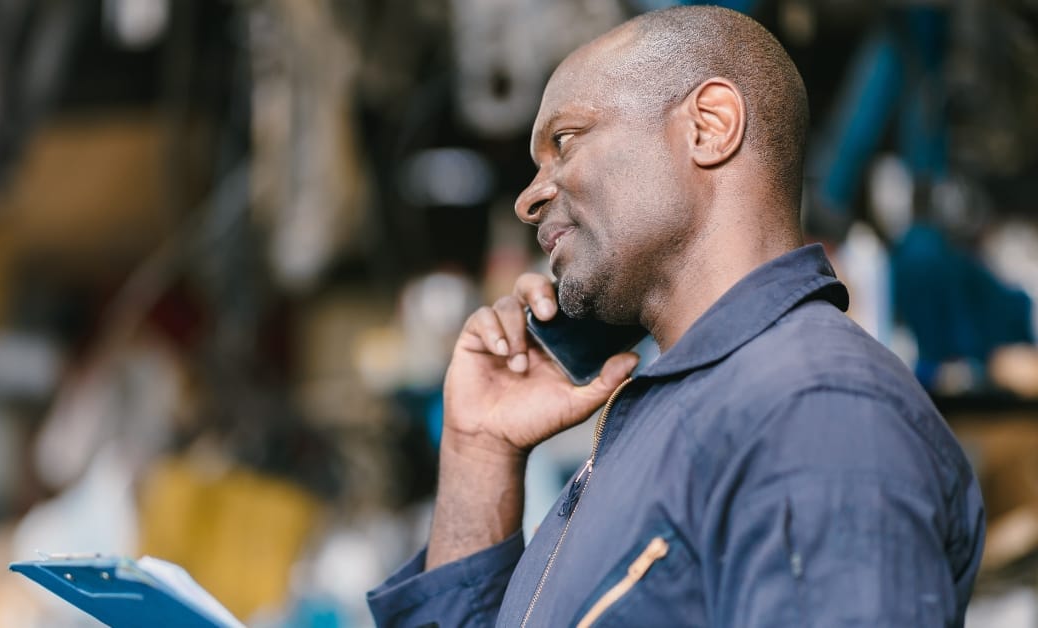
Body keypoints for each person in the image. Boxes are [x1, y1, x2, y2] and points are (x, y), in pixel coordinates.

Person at [368, 5, 985, 627]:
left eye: (565, 142)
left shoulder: (814, 410)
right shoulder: (684, 408)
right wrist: (480, 450)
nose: (529, 199)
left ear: (709, 126)